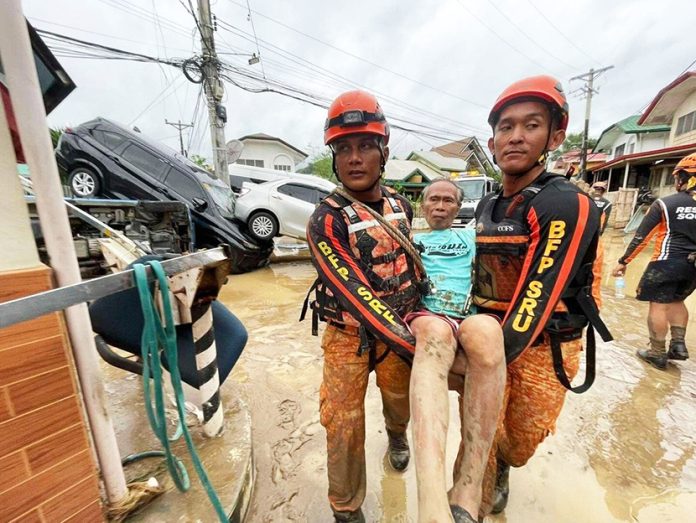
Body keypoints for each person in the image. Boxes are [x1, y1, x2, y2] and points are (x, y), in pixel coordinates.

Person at [472, 75, 609, 514]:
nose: (515, 137)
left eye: (530, 125)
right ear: (492, 141)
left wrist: (477, 356)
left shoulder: (564, 203)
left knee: (521, 440)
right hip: (489, 335)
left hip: (543, 344)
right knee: (483, 430)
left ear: (555, 135)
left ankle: (505, 465)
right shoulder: (486, 205)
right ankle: (484, 483)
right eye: (505, 127)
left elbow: (535, 301)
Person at [304, 90, 424, 523]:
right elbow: (356, 292)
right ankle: (346, 508)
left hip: (401, 336)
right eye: (344, 149)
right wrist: (416, 344)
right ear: (334, 159)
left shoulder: (401, 206)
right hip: (348, 338)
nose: (355, 158)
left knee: (399, 402)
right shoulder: (326, 219)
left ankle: (397, 437)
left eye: (365, 147)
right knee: (342, 423)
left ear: (383, 152)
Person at [407, 179, 505, 523]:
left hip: (467, 315)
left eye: (448, 200)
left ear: (457, 207)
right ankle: (431, 506)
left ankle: (469, 486)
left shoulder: (470, 237)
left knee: (488, 330)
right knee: (435, 332)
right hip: (428, 317)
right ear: (423, 205)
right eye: (433, 199)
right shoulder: (411, 240)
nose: (440, 206)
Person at [612, 153, 696, 370]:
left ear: (684, 178)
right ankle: (678, 346)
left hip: (666, 263)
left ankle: (657, 353)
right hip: (692, 267)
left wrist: (623, 261)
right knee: (677, 301)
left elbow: (642, 237)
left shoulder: (665, 204)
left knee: (658, 305)